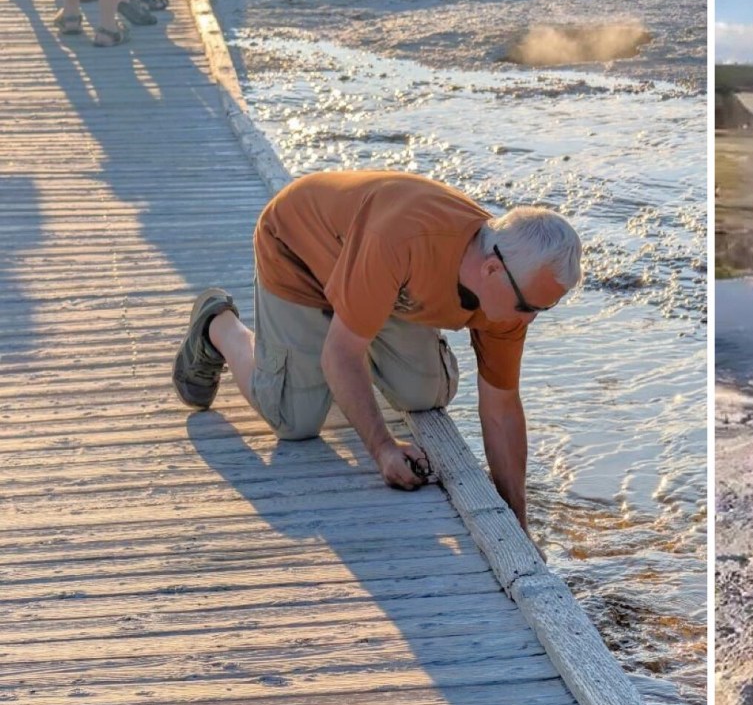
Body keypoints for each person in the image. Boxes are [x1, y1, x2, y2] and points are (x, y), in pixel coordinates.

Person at [172, 171, 582, 534]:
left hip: (378, 276)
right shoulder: (403, 241)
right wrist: (383, 448)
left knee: (425, 393)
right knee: (294, 419)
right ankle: (218, 325)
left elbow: (501, 408)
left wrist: (517, 524)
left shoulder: (512, 288)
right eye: (529, 307)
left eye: (544, 309)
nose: (530, 320)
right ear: (491, 269)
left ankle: (356, 319)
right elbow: (339, 356)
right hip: (300, 252)